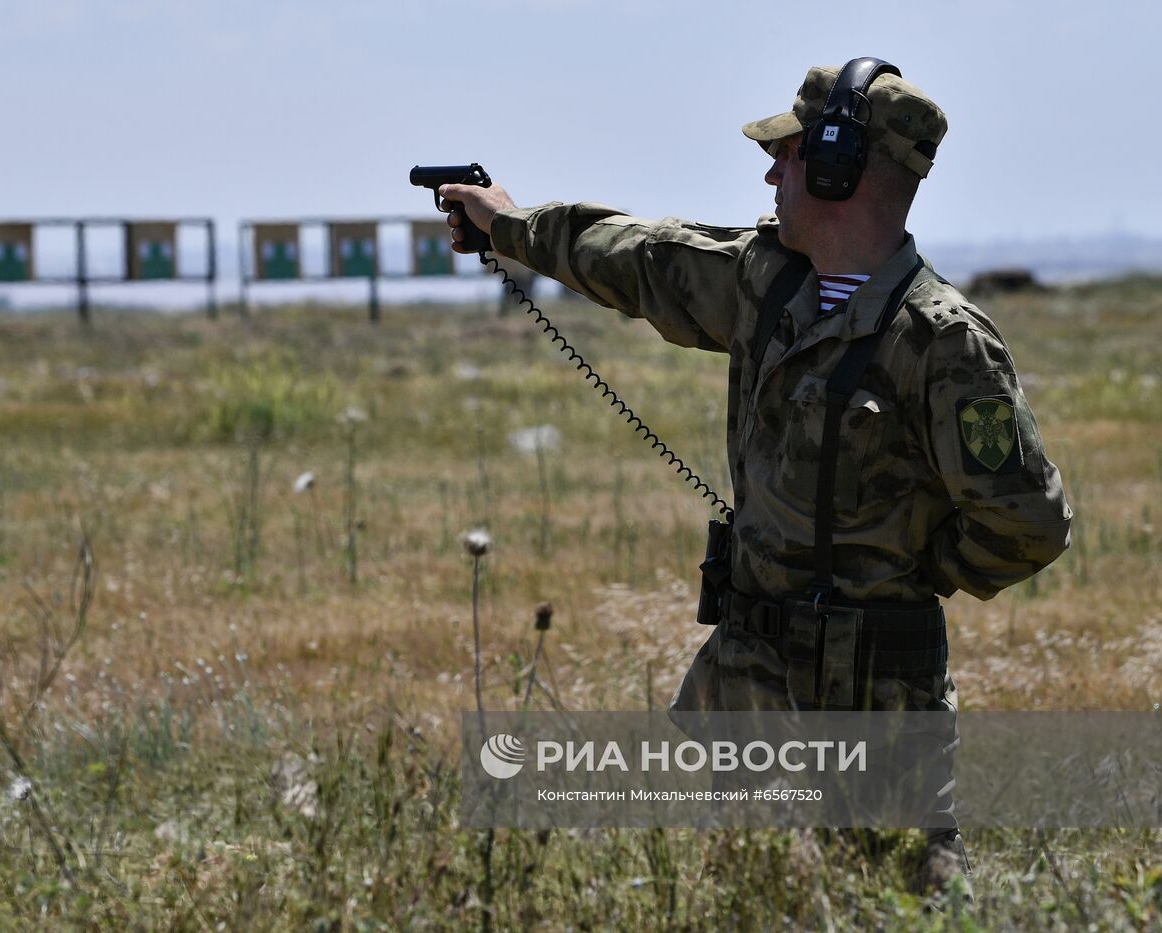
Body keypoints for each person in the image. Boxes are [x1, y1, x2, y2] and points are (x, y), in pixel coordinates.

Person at [439, 59, 1073, 898]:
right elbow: (639, 258)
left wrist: (906, 569)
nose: (772, 171)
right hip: (747, 677)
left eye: (793, 153)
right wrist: (509, 225)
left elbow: (1027, 522)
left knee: (898, 898)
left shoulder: (943, 340)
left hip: (871, 703)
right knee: (737, 894)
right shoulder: (766, 281)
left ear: (842, 166)